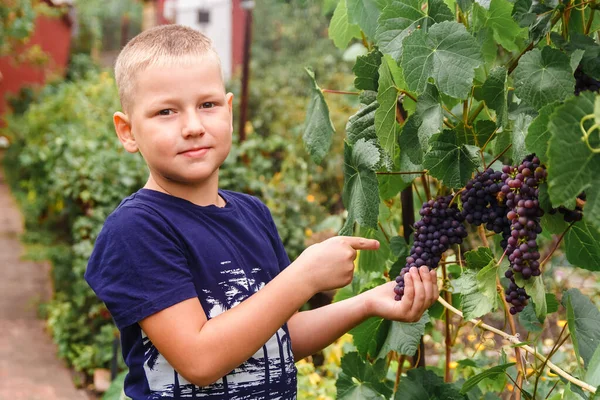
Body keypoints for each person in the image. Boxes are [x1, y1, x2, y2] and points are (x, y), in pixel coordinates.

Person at [84, 24, 439, 400]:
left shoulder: (252, 214)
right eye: (166, 111)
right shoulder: (137, 228)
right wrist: (303, 277)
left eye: (207, 105)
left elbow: (279, 339)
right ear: (127, 131)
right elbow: (199, 359)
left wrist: (367, 303)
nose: (192, 126)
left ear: (229, 110)